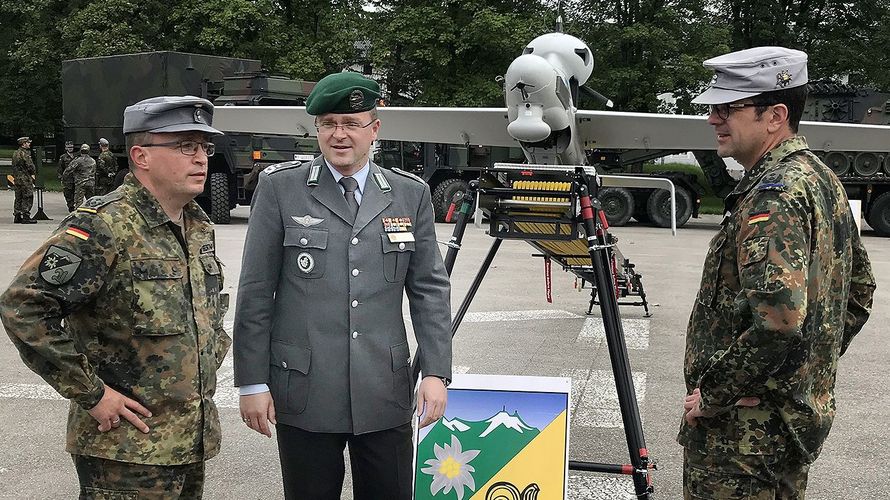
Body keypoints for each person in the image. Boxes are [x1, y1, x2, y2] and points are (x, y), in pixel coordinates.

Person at [233, 72, 453, 500]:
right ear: (316, 129)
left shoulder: (410, 194)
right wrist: (252, 383)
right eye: (329, 123)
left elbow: (429, 289)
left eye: (351, 123)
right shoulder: (281, 188)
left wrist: (436, 371)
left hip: (383, 389)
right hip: (304, 388)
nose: (339, 135)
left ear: (374, 128)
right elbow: (256, 291)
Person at [0, 96, 232, 498]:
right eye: (185, 146)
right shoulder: (104, 225)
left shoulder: (197, 225)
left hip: (187, 442)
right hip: (124, 450)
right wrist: (92, 394)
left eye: (204, 147)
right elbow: (24, 305)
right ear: (141, 156)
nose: (201, 158)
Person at [678, 47, 876, 498]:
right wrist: (799, 376)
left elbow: (780, 322)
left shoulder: (776, 195)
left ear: (775, 116)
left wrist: (717, 393)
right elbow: (859, 293)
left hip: (744, 437)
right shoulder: (819, 178)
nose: (713, 118)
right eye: (713, 108)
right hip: (779, 430)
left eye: (727, 108)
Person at [11, 136, 36, 224]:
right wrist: (33, 172)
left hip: (17, 178)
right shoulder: (25, 153)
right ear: (23, 144)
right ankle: (26, 216)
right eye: (28, 142)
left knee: (18, 197)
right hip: (25, 178)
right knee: (28, 196)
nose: (29, 144)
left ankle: (17, 215)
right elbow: (30, 166)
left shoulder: (15, 153)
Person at [64, 144, 97, 208]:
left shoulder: (78, 160)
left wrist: (65, 179)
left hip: (81, 183)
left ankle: (78, 215)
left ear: (81, 151)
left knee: (78, 202)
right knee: (91, 202)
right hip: (91, 183)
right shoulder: (93, 161)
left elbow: (68, 170)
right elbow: (94, 171)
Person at [58, 141, 78, 211]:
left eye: (72, 147)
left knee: (76, 193)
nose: (70, 149)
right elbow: (60, 168)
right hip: (67, 179)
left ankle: (76, 206)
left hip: (76, 178)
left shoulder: (76, 156)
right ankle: (71, 207)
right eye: (69, 147)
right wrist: (61, 178)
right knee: (68, 194)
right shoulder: (63, 157)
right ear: (66, 148)